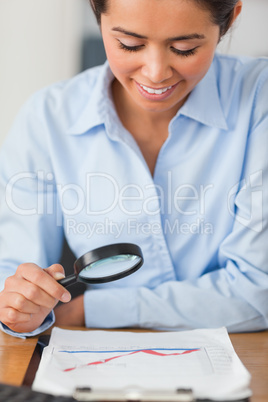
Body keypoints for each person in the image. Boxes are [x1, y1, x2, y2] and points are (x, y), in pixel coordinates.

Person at [0, 0, 267, 338]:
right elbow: (12, 276)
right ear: (98, 16)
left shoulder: (261, 100)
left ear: (229, 19)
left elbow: (258, 290)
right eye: (129, 44)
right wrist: (21, 306)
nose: (156, 73)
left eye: (184, 48)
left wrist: (89, 310)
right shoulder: (46, 120)